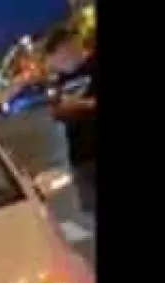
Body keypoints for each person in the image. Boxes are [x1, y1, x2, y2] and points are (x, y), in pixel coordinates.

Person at [43, 26, 97, 215]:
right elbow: (55, 113)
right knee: (92, 211)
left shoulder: (93, 65)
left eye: (58, 55)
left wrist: (80, 104)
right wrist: (61, 110)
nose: (56, 62)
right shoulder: (59, 80)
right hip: (80, 157)